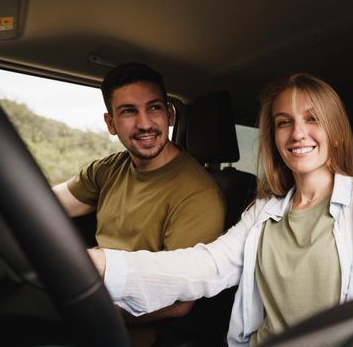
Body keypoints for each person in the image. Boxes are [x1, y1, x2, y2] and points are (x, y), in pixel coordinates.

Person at [88, 73, 353, 347]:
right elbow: (207, 265)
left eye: (312, 119)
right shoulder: (264, 209)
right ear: (274, 137)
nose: (297, 133)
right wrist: (102, 263)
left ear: (335, 132)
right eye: (283, 122)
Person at [52, 63, 225, 346]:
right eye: (129, 111)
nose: (144, 123)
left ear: (170, 114)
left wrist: (85, 310)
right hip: (76, 294)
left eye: (154, 108)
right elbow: (45, 207)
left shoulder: (198, 195)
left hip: (115, 330)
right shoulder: (109, 168)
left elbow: (179, 302)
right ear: (111, 123)